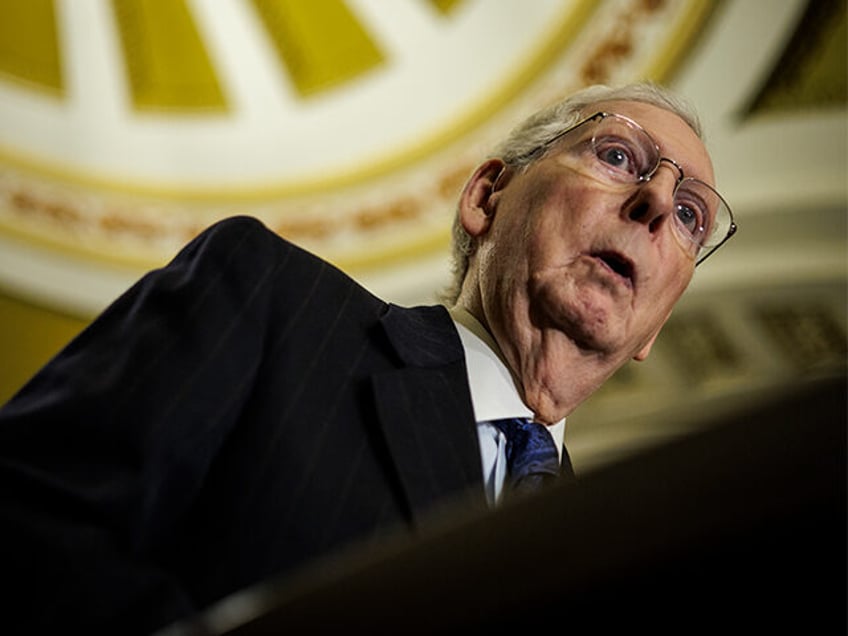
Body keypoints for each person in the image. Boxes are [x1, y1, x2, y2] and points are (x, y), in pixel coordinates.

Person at [0, 82, 736, 634]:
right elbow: (26, 516)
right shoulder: (274, 302)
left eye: (689, 216)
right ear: (488, 195)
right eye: (618, 156)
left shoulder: (615, 552)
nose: (653, 206)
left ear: (654, 330)